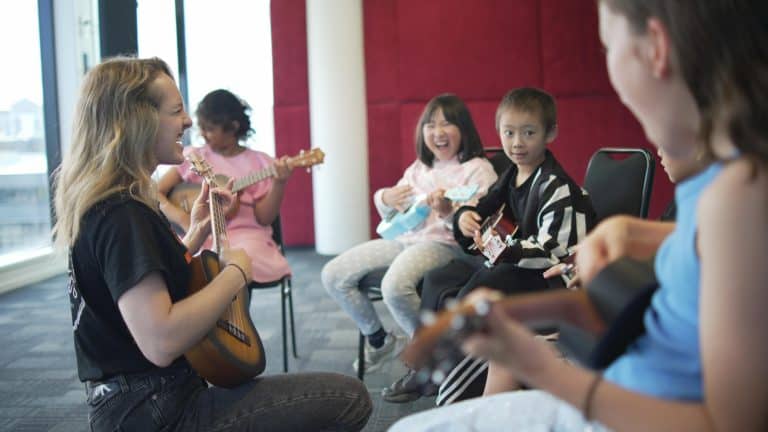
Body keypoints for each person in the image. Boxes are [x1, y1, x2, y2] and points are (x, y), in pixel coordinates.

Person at [390, 0, 768, 430]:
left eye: (608, 49)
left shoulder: (738, 199)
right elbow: (709, 257)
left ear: (656, 50)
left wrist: (542, 368)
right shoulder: (728, 180)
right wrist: (642, 232)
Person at [53, 56, 371, 432]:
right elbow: (162, 340)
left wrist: (197, 232)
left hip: (137, 404)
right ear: (136, 121)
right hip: (159, 411)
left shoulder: (112, 205)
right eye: (176, 111)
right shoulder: (123, 215)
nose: (188, 122)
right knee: (351, 399)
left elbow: (142, 287)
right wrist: (235, 273)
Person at [420, 87, 597, 405]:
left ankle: (464, 386)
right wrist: (465, 218)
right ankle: (438, 368)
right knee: (437, 279)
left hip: (553, 279)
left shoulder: (556, 186)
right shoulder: (511, 174)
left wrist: (504, 250)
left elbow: (552, 254)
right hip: (517, 263)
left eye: (529, 133)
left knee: (481, 289)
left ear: (550, 133)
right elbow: (483, 208)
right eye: (509, 132)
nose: (517, 143)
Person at [321, 94, 498, 397]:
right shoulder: (419, 168)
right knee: (333, 274)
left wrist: (446, 212)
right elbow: (395, 212)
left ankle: (429, 358)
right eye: (431, 125)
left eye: (447, 124)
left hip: (444, 246)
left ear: (464, 129)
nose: (438, 132)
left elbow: (477, 228)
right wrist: (384, 198)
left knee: (394, 287)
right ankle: (380, 340)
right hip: (404, 240)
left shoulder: (478, 170)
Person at [158, 89, 291, 286]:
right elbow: (156, 192)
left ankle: (237, 316)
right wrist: (183, 219)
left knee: (239, 260)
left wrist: (279, 183)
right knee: (195, 261)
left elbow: (264, 218)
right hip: (203, 235)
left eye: (210, 129)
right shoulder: (196, 157)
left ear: (233, 127)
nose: (203, 134)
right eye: (202, 128)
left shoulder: (261, 163)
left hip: (248, 234)